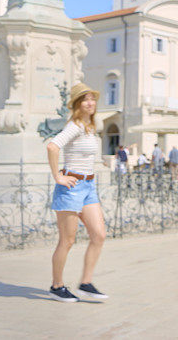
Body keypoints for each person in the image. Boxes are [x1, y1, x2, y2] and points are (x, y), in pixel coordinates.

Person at [45, 83, 108, 303]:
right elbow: (53, 147)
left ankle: (86, 283)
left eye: (92, 99)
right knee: (67, 241)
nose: (90, 103)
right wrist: (58, 177)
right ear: (77, 104)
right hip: (71, 188)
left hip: (88, 187)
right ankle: (57, 286)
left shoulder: (90, 126)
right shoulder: (75, 125)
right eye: (85, 99)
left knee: (99, 235)